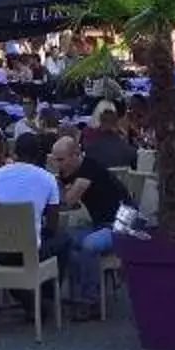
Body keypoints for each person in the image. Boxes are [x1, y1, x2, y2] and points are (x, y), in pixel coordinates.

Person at [52, 133, 128, 322]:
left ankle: (90, 300)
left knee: (88, 245)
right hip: (101, 224)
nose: (58, 164)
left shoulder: (88, 169)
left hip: (121, 225)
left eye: (61, 160)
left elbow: (68, 201)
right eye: (55, 160)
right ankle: (79, 294)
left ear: (75, 154)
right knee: (65, 241)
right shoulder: (76, 171)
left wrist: (56, 181)